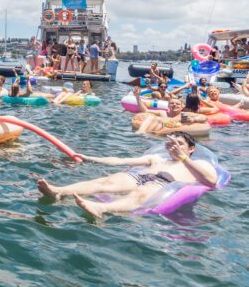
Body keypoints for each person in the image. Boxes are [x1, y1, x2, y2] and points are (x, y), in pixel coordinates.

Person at [37, 132, 217, 217]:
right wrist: (89, 158)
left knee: (141, 193)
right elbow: (120, 161)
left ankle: (101, 209)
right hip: (140, 176)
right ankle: (58, 191)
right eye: (171, 143)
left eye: (179, 144)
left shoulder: (197, 163)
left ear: (191, 148)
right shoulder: (156, 158)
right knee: (106, 181)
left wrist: (183, 157)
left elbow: (211, 182)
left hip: (163, 184)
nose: (173, 147)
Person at [131, 87, 207, 134]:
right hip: (159, 132)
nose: (174, 105)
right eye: (172, 103)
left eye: (177, 104)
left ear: (181, 107)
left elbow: (204, 117)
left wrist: (194, 119)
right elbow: (145, 110)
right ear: (168, 106)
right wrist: (137, 97)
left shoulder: (183, 114)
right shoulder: (163, 113)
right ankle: (140, 133)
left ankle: (141, 132)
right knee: (151, 117)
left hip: (170, 132)